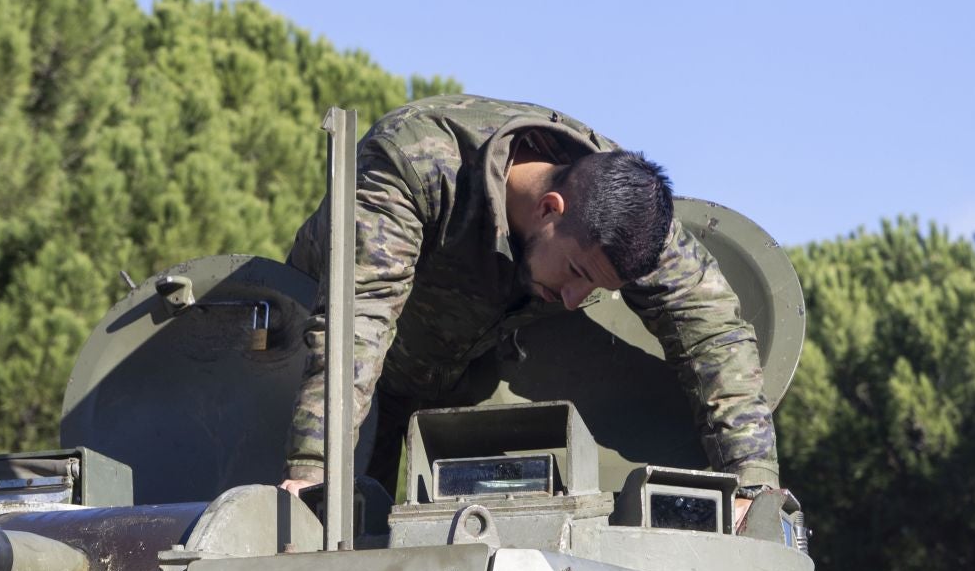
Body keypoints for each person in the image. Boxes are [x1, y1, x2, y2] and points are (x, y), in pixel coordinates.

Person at [279, 94, 777, 526]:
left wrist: (752, 481)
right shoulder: (417, 161)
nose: (574, 299)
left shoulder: (628, 217)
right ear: (549, 209)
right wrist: (313, 467)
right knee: (335, 531)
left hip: (469, 389)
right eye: (577, 272)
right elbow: (357, 320)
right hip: (334, 379)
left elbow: (713, 330)